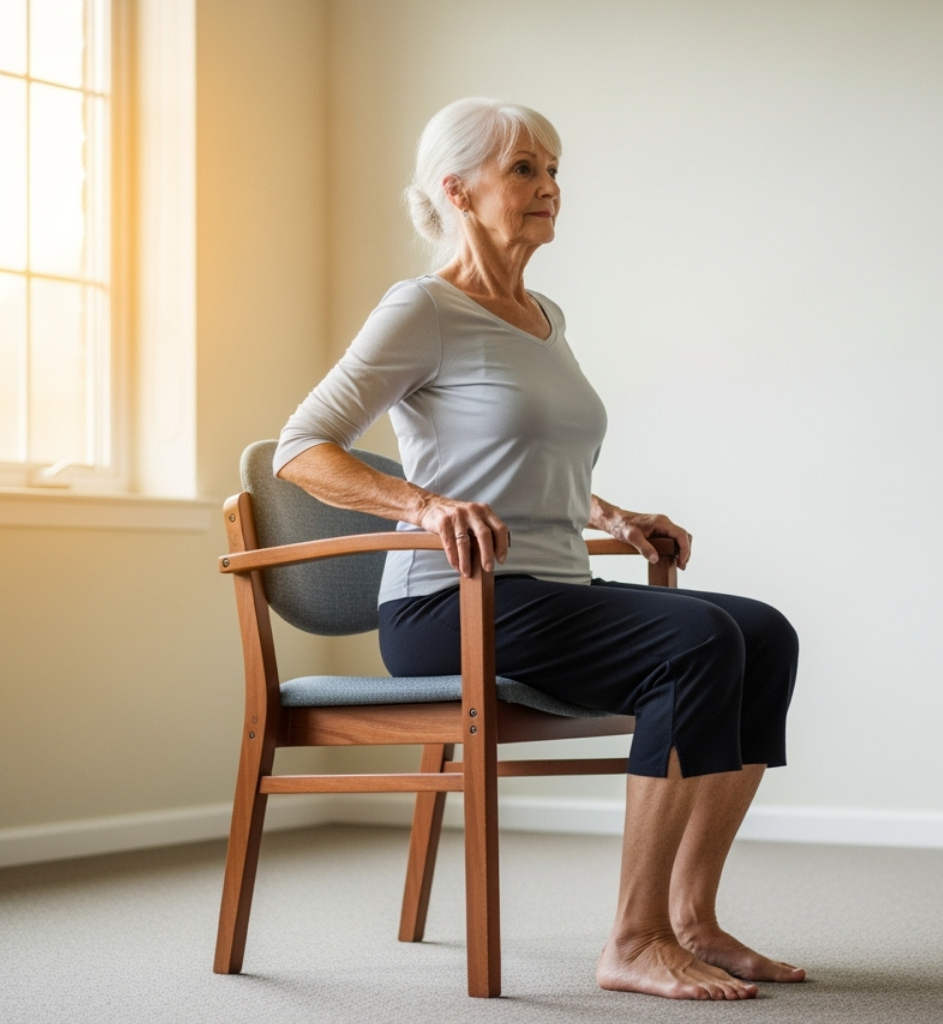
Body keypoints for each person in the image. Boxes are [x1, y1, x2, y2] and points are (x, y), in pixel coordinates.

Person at [274, 98, 800, 1001]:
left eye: (553, 169)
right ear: (458, 189)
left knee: (763, 632)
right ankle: (632, 941)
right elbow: (299, 448)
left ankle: (693, 921)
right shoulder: (423, 308)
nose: (549, 186)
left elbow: (526, 457)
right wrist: (424, 504)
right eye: (524, 169)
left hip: (548, 591)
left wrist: (615, 514)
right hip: (450, 605)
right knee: (698, 640)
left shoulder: (544, 314)